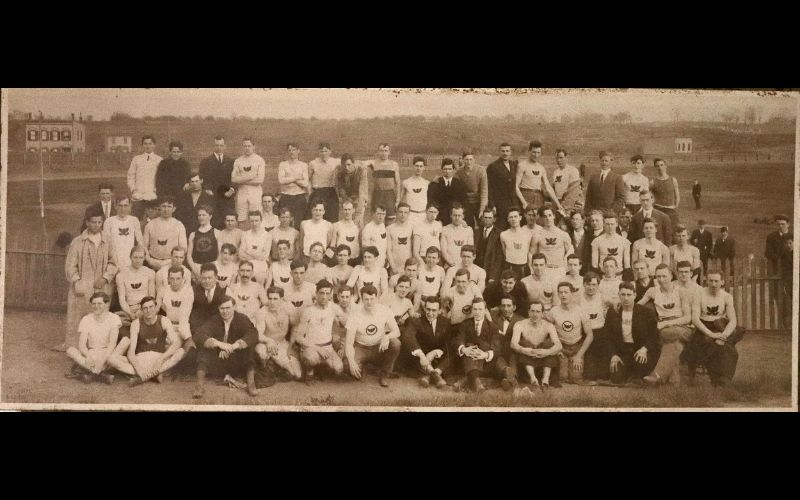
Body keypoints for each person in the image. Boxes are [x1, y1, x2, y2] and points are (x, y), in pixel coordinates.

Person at [62, 211, 117, 352]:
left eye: (99, 222)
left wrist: (105, 277)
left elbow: (113, 263)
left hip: (102, 287)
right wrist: (77, 281)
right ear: (87, 223)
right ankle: (75, 351)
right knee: (79, 319)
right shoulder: (78, 241)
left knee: (100, 317)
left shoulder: (108, 240)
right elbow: (70, 266)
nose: (96, 225)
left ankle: (98, 350)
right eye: (93, 222)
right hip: (82, 287)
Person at [686, 270, 745, 387]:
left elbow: (733, 320)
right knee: (709, 344)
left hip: (720, 327)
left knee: (729, 349)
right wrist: (711, 334)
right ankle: (716, 379)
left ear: (722, 282)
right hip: (703, 327)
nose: (713, 284)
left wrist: (724, 336)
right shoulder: (699, 294)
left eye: (716, 281)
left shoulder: (727, 297)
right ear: (706, 281)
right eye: (711, 281)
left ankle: (724, 380)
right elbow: (695, 319)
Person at [192, 295, 259, 398]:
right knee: (204, 349)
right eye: (222, 308)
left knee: (249, 348)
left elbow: (253, 334)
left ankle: (251, 384)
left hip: (237, 361)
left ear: (234, 307)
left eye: (228, 308)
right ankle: (199, 386)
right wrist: (219, 345)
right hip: (218, 360)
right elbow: (199, 334)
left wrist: (235, 346)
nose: (225, 311)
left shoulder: (242, 318)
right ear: (218, 309)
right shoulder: (214, 319)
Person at [639, 264, 693, 385]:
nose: (661, 279)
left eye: (664, 276)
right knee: (673, 342)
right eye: (658, 276)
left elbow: (688, 317)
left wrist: (666, 323)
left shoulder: (681, 291)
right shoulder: (652, 291)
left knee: (671, 333)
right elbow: (638, 305)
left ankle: (658, 375)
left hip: (682, 327)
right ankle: (672, 381)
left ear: (671, 276)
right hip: (665, 329)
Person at [343, 284, 402, 387]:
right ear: (361, 299)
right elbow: (349, 343)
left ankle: (384, 374)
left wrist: (387, 337)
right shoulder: (355, 314)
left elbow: (397, 331)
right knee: (347, 366)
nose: (369, 302)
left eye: (372, 299)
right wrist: (352, 362)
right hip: (361, 348)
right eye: (366, 299)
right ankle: (365, 368)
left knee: (395, 343)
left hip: (378, 347)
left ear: (377, 298)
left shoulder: (384, 310)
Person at [453, 298, 515, 392]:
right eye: (475, 309)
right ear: (472, 310)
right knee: (470, 349)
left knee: (497, 359)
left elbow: (496, 347)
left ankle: (475, 380)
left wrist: (484, 354)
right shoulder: (465, 324)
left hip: (485, 361)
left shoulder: (493, 327)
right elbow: (458, 340)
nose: (477, 312)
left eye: (480, 309)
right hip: (469, 359)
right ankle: (477, 382)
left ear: (485, 310)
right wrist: (464, 350)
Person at [606, 282, 660, 386]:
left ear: (635, 295)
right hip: (623, 350)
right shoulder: (613, 312)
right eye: (623, 294)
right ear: (618, 295)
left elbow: (654, 335)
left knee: (640, 368)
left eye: (629, 295)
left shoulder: (646, 312)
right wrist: (613, 355)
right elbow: (607, 336)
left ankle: (638, 375)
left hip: (640, 350)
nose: (626, 298)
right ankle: (629, 374)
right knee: (616, 377)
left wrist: (644, 349)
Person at [66, 292, 126, 384]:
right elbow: (82, 345)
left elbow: (112, 344)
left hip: (107, 354)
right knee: (70, 350)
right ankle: (101, 375)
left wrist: (102, 361)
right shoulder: (86, 319)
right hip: (92, 353)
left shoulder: (114, 318)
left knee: (125, 342)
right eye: (94, 304)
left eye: (99, 303)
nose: (96, 306)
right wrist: (88, 356)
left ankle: (89, 374)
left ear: (106, 304)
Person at [292, 279, 344, 382]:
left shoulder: (334, 308)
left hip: (327, 347)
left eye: (327, 293)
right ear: (316, 293)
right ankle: (309, 371)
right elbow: (298, 338)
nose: (324, 296)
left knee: (339, 369)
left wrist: (340, 342)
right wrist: (316, 348)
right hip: (311, 347)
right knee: (311, 359)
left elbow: (345, 323)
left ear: (330, 295)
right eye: (321, 293)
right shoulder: (308, 311)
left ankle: (321, 369)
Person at [126, 296, 186, 385]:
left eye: (151, 307)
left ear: (156, 308)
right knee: (114, 360)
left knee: (181, 351)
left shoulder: (164, 320)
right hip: (142, 359)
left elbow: (176, 343)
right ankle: (154, 374)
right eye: (145, 308)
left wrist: (161, 359)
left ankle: (145, 377)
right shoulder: (136, 323)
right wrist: (139, 369)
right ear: (141, 310)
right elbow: (131, 352)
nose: (148, 310)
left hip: (159, 357)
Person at [549, 281, 594, 385]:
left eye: (566, 292)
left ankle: (575, 364)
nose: (563, 295)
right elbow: (548, 333)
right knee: (563, 377)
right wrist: (555, 349)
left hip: (576, 347)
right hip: (561, 347)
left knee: (575, 378)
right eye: (560, 292)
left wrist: (579, 355)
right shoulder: (554, 311)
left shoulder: (581, 311)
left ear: (572, 294)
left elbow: (590, 335)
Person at [401, 296, 451, 388]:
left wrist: (435, 352)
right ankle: (435, 376)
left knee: (451, 353)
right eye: (428, 309)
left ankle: (430, 375)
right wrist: (422, 355)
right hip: (421, 359)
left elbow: (447, 343)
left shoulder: (446, 322)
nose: (430, 313)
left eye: (434, 310)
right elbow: (408, 336)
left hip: (437, 358)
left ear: (439, 310)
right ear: (424, 308)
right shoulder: (416, 321)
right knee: (412, 351)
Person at [254, 286, 303, 380]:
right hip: (266, 344)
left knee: (298, 375)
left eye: (275, 299)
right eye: (270, 298)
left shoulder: (288, 308)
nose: (272, 302)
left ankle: (276, 365)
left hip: (282, 343)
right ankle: (273, 366)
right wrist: (268, 341)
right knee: (261, 352)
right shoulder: (262, 312)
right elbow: (258, 334)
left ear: (281, 299)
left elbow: (296, 326)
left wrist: (291, 345)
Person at [511, 301, 562, 389]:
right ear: (528, 312)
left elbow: (559, 346)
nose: (535, 314)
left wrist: (546, 352)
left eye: (538, 312)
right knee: (524, 343)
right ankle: (533, 378)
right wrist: (524, 350)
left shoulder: (548, 326)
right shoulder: (520, 324)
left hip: (544, 360)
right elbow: (513, 344)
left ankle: (545, 379)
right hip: (527, 361)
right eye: (532, 311)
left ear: (542, 313)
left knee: (549, 344)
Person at [515, 140, 562, 213]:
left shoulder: (541, 168)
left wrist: (558, 204)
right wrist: (524, 202)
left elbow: (548, 187)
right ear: (529, 151)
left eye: (538, 152)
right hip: (526, 196)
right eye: (534, 152)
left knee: (538, 220)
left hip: (539, 198)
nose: (536, 155)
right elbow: (515, 186)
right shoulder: (522, 165)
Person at [199, 135, 235, 230]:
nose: (219, 148)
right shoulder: (206, 161)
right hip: (212, 197)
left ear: (225, 146)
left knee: (227, 221)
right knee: (214, 221)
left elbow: (234, 178)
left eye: (221, 145)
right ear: (214, 146)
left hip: (227, 197)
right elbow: (201, 179)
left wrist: (231, 189)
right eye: (217, 145)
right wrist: (207, 189)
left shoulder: (231, 161)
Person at [158, 265, 196, 355]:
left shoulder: (188, 291)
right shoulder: (165, 289)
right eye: (172, 279)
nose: (175, 282)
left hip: (182, 326)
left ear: (183, 278)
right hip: (167, 325)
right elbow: (158, 304)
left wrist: (188, 338)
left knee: (174, 346)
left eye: (178, 278)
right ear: (168, 279)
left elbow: (184, 316)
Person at [142, 197, 187, 271]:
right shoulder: (150, 225)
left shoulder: (179, 225)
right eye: (163, 206)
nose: (166, 209)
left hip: (172, 263)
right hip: (153, 263)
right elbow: (144, 247)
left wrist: (172, 262)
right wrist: (150, 261)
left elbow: (183, 248)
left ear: (174, 209)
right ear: (159, 207)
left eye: (169, 206)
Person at [115, 246, 156, 324]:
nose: (138, 260)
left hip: (146, 308)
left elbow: (151, 297)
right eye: (135, 257)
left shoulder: (150, 273)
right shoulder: (121, 275)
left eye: (141, 258)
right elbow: (122, 299)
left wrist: (142, 311)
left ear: (144, 258)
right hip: (128, 309)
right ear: (130, 257)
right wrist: (130, 313)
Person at [530, 205, 574, 277]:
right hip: (543, 271)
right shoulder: (537, 235)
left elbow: (570, 253)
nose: (548, 218)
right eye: (545, 216)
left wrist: (565, 269)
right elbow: (531, 255)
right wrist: (534, 271)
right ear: (541, 218)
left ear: (554, 216)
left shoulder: (563, 234)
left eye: (550, 215)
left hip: (559, 270)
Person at [103, 196, 143, 271]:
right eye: (120, 205)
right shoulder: (109, 221)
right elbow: (106, 244)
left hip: (130, 261)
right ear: (115, 206)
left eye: (125, 206)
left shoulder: (134, 220)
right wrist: (114, 262)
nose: (123, 209)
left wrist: (136, 261)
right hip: (114, 261)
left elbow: (140, 242)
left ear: (130, 206)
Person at [233, 137, 267, 225]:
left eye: (249, 146)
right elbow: (234, 179)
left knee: (256, 217)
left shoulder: (259, 160)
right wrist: (251, 176)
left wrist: (242, 179)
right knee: (241, 218)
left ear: (254, 146)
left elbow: (260, 180)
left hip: (255, 193)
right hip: (242, 192)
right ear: (242, 147)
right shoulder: (238, 161)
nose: (247, 148)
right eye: (245, 146)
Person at [766, 214, 792, 327]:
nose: (781, 226)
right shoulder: (771, 237)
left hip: (790, 272)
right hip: (776, 272)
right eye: (779, 224)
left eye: (783, 224)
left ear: (788, 224)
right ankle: (785, 324)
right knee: (779, 298)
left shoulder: (793, 236)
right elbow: (767, 253)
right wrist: (778, 258)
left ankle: (792, 324)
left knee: (792, 297)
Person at [127, 135, 161, 221]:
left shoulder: (159, 160)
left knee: (153, 222)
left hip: (153, 197)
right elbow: (130, 176)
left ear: (154, 145)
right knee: (137, 221)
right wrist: (133, 190)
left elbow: (162, 179)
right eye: (145, 144)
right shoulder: (136, 159)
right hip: (138, 197)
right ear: (142, 145)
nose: (148, 146)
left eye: (150, 143)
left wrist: (156, 190)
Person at [486, 142, 519, 230]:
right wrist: (492, 205)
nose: (505, 153)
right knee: (501, 228)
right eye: (503, 151)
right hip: (500, 203)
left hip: (513, 202)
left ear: (511, 152)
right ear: (499, 152)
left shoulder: (514, 164)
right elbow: (489, 187)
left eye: (507, 151)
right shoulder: (493, 166)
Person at [365, 143, 401, 222]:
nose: (384, 153)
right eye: (381, 151)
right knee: (377, 220)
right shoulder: (373, 164)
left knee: (390, 220)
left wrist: (398, 199)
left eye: (386, 151)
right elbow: (370, 183)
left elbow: (398, 183)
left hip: (390, 195)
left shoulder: (394, 164)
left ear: (389, 152)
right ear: (378, 152)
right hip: (377, 194)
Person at [427, 158, 467, 227]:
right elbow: (431, 203)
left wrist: (461, 218)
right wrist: (437, 218)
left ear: (453, 170)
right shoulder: (435, 184)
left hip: (456, 219)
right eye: (445, 169)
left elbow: (464, 203)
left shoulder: (460, 184)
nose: (447, 171)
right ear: (442, 170)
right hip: (439, 219)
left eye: (449, 169)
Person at [189, 263, 228, 333]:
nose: (207, 281)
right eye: (204, 278)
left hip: (218, 331)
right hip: (197, 331)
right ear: (200, 277)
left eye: (209, 278)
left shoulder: (224, 291)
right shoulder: (192, 291)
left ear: (216, 278)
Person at [226, 260, 268, 326]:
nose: (245, 274)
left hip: (252, 322)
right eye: (242, 270)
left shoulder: (258, 287)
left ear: (252, 273)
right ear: (238, 272)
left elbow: (266, 304)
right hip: (235, 322)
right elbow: (227, 306)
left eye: (248, 271)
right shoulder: (232, 288)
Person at [307, 142, 341, 222]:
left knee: (332, 218)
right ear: (318, 152)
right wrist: (309, 192)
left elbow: (348, 163)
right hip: (317, 193)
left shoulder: (336, 161)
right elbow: (307, 179)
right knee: (317, 217)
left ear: (330, 151)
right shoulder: (313, 163)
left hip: (330, 192)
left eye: (326, 151)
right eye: (321, 151)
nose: (323, 153)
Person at [455, 150, 489, 228]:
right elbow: (454, 185)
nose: (469, 162)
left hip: (479, 201)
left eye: (471, 159)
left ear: (474, 160)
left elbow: (484, 191)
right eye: (466, 159)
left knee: (483, 224)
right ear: (463, 160)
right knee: (467, 225)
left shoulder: (481, 170)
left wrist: (482, 208)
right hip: (466, 202)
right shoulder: (459, 172)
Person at [174, 173, 215, 237]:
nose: (195, 184)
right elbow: (178, 213)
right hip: (186, 229)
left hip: (203, 229)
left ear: (201, 181)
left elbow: (212, 214)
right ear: (189, 183)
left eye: (197, 181)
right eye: (192, 182)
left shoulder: (208, 196)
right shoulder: (183, 196)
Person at [186, 204, 221, 279]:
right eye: (199, 215)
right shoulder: (193, 234)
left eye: (204, 215)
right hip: (197, 267)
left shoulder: (217, 232)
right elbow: (189, 256)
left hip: (212, 267)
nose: (201, 217)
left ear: (210, 216)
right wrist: (195, 270)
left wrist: (213, 267)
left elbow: (220, 253)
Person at [239, 211, 273, 285]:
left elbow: (265, 255)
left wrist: (249, 252)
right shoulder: (245, 234)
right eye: (252, 221)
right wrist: (257, 254)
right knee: (240, 279)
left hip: (261, 264)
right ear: (249, 222)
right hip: (247, 263)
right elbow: (241, 254)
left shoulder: (267, 235)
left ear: (261, 221)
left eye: (256, 221)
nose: (254, 223)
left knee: (260, 278)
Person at [335, 153, 368, 227]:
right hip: (346, 197)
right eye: (344, 165)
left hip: (359, 197)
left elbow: (362, 190)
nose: (346, 167)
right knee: (346, 222)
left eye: (349, 165)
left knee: (358, 222)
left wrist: (358, 211)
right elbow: (340, 188)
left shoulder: (361, 170)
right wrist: (346, 202)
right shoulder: (339, 170)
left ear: (353, 163)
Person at [283, 260, 317, 325]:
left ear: (305, 273)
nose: (299, 276)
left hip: (308, 324)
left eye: (301, 273)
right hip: (289, 325)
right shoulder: (284, 289)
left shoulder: (312, 287)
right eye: (296, 273)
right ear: (291, 274)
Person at [440, 204, 474, 269]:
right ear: (451, 216)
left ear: (463, 216)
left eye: (459, 215)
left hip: (465, 266)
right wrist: (452, 264)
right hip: (449, 265)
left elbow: (470, 250)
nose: (457, 218)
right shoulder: (445, 229)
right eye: (455, 215)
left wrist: (464, 265)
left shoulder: (468, 230)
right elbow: (443, 251)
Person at [474, 209, 504, 285]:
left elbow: (499, 258)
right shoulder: (477, 231)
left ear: (494, 219)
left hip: (489, 269)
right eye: (485, 217)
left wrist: (493, 276)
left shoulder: (499, 234)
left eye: (490, 218)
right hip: (476, 267)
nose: (487, 220)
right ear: (482, 218)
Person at [399, 156, 431, 227]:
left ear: (424, 168)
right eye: (416, 166)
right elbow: (399, 199)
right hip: (410, 215)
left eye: (421, 166)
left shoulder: (427, 183)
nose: (418, 168)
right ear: (413, 167)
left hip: (423, 215)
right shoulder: (406, 182)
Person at [500, 208, 532, 279]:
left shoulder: (528, 234)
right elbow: (504, 252)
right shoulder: (503, 234)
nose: (513, 219)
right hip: (509, 266)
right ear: (508, 219)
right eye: (511, 217)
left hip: (523, 267)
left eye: (515, 216)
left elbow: (528, 252)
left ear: (520, 218)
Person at [650, 158, 681, 229]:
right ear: (655, 167)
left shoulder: (673, 180)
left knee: (674, 230)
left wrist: (675, 206)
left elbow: (677, 196)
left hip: (671, 210)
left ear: (665, 166)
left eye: (661, 165)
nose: (660, 167)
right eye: (657, 166)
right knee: (658, 230)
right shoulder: (653, 182)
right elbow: (649, 196)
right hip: (658, 209)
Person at [551, 149, 583, 215]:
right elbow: (554, 189)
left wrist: (564, 206)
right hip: (557, 202)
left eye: (561, 158)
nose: (558, 160)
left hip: (569, 202)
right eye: (557, 158)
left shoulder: (573, 170)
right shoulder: (555, 172)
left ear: (566, 157)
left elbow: (574, 191)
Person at [329, 200, 361, 267]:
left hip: (354, 259)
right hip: (341, 259)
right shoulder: (336, 225)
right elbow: (332, 245)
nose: (347, 212)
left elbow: (361, 244)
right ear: (342, 211)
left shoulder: (358, 226)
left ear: (353, 210)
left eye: (349, 209)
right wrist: (327, 259)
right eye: (345, 210)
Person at [386, 203, 414, 276]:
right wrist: (393, 267)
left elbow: (414, 249)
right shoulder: (389, 228)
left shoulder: (412, 228)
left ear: (409, 214)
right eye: (400, 212)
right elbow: (388, 250)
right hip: (395, 266)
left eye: (405, 212)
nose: (403, 214)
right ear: (396, 212)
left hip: (409, 266)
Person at [361, 205, 389, 269]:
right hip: (372, 263)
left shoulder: (382, 225)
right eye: (378, 214)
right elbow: (365, 248)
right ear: (373, 214)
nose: (381, 216)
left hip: (383, 262)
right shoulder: (368, 228)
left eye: (383, 214)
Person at [582, 210, 605, 274]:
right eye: (592, 221)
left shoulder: (606, 235)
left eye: (597, 220)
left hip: (603, 269)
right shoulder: (588, 234)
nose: (594, 223)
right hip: (590, 270)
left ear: (603, 221)